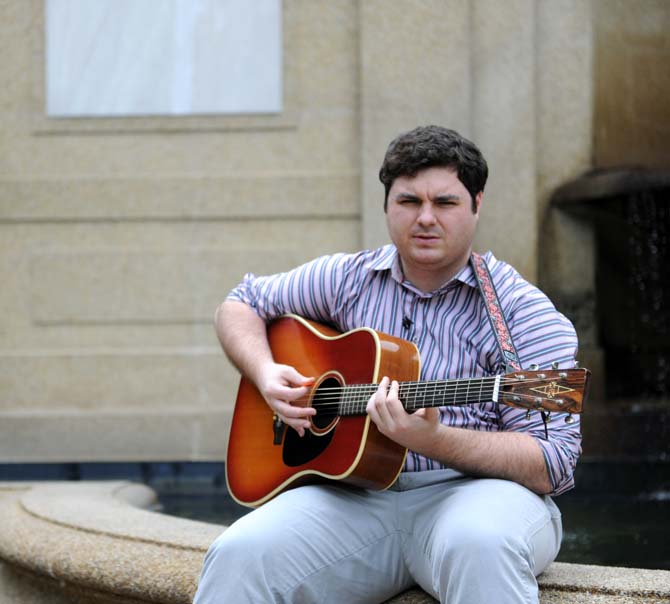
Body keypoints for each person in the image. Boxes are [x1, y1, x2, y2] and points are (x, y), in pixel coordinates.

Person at [193, 125, 581, 604]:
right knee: (239, 553)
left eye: (445, 202)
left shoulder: (524, 313)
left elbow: (555, 463)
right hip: (353, 497)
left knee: (480, 544)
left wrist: (435, 441)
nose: (425, 218)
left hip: (475, 496)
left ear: (477, 204)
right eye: (408, 201)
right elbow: (241, 302)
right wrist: (266, 372)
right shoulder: (346, 278)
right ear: (386, 206)